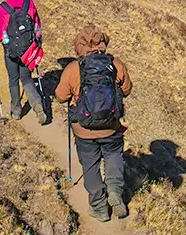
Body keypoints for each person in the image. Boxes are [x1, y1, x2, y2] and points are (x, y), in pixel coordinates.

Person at [56, 25, 133, 222]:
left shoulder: (73, 69)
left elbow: (60, 96)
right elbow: (126, 90)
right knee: (114, 156)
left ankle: (99, 207)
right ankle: (115, 190)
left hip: (84, 129)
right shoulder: (115, 64)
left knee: (90, 165)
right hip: (111, 126)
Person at [0, 0, 48, 125]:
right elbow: (37, 25)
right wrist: (37, 43)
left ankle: (16, 111)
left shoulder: (3, 8)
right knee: (26, 78)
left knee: (13, 79)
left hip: (11, 51)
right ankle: (38, 105)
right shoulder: (29, 3)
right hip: (28, 48)